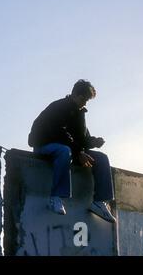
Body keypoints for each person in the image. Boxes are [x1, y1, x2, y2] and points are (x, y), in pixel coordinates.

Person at [28, 79, 116, 223]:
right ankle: (56, 197)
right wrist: (78, 152)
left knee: (101, 158)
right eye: (84, 99)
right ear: (76, 95)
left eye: (87, 100)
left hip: (70, 149)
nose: (85, 103)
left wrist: (94, 142)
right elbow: (58, 134)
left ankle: (99, 202)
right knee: (64, 150)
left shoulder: (80, 114)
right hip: (44, 146)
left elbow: (82, 139)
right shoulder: (58, 107)